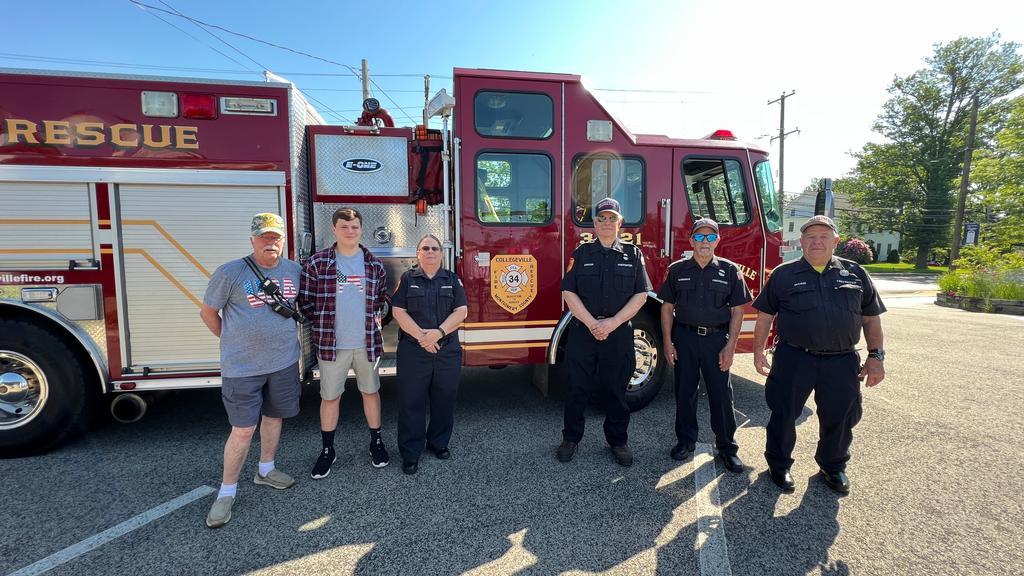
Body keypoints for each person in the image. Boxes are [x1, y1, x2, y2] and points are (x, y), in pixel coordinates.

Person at [752, 215, 886, 495]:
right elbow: (765, 316)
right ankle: (778, 465)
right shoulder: (783, 274)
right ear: (800, 242)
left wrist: (876, 357)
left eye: (823, 236)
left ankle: (833, 466)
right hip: (794, 358)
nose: (816, 241)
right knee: (783, 414)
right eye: (810, 237)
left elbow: (871, 319)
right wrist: (758, 352)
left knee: (841, 417)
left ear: (836, 241)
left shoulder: (856, 273)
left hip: (842, 361)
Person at [200, 212, 302, 529]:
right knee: (243, 430)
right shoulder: (230, 272)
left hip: (284, 363)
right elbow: (207, 313)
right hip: (242, 368)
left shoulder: (295, 271)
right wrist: (233, 342)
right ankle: (226, 493)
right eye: (264, 237)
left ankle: (266, 469)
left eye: (275, 237)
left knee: (274, 417)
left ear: (284, 240)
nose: (270, 242)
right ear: (252, 240)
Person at [557, 197, 651, 467]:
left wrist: (612, 323)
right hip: (583, 331)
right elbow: (569, 292)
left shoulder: (633, 255)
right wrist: (591, 323)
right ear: (595, 224)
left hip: (618, 333)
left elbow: (641, 295)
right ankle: (571, 438)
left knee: (616, 389)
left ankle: (618, 441)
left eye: (612, 219)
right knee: (576, 387)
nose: (607, 223)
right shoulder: (581, 254)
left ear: (620, 223)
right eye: (602, 219)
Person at [298, 207, 390, 479]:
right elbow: (305, 302)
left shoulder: (373, 264)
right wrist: (327, 324)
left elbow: (381, 300)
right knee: (330, 397)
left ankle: (376, 442)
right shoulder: (317, 263)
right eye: (344, 227)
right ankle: (328, 451)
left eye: (354, 227)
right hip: (332, 344)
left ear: (360, 229)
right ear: (334, 229)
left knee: (371, 392)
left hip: (367, 344)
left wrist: (374, 320)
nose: (350, 231)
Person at [658, 218, 751, 472]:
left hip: (716, 342)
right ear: (691, 241)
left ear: (718, 240)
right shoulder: (677, 270)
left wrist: (730, 346)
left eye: (710, 237)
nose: (705, 242)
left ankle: (727, 448)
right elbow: (666, 308)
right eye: (699, 237)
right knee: (684, 393)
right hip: (685, 339)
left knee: (721, 395)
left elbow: (737, 312)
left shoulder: (730, 271)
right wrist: (667, 342)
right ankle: (685, 441)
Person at [390, 234, 469, 475]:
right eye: (425, 248)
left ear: (442, 254)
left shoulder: (452, 280)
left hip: (447, 351)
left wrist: (438, 333)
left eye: (435, 248)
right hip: (414, 351)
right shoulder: (407, 279)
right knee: (411, 402)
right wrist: (423, 339)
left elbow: (462, 311)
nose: (431, 252)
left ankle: (438, 443)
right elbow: (398, 311)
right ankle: (410, 453)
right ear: (418, 253)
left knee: (444, 399)